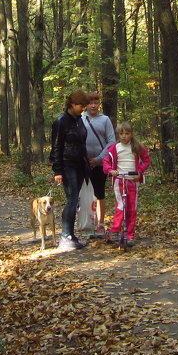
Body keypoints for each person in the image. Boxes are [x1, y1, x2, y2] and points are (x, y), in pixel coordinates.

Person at [49, 89, 91, 251]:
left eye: (84, 106)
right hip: (67, 165)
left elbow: (81, 143)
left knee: (75, 200)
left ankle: (71, 235)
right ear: (72, 104)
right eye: (81, 105)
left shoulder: (79, 120)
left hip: (80, 164)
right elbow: (56, 147)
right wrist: (58, 170)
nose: (83, 108)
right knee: (72, 199)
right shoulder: (61, 122)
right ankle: (65, 236)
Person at [100, 121, 151, 245]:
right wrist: (111, 170)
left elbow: (146, 161)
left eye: (127, 134)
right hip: (119, 181)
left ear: (131, 134)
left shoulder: (137, 147)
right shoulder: (114, 148)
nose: (124, 136)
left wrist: (139, 171)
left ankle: (130, 235)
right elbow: (105, 162)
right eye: (121, 134)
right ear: (118, 134)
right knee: (121, 206)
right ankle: (115, 231)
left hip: (133, 181)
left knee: (132, 208)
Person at [82, 91, 116, 233]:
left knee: (99, 193)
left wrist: (99, 159)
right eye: (90, 103)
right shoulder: (80, 119)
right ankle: (88, 222)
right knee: (85, 195)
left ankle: (101, 224)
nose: (93, 106)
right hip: (83, 163)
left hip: (100, 163)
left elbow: (111, 141)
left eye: (96, 103)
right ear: (86, 105)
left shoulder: (105, 120)